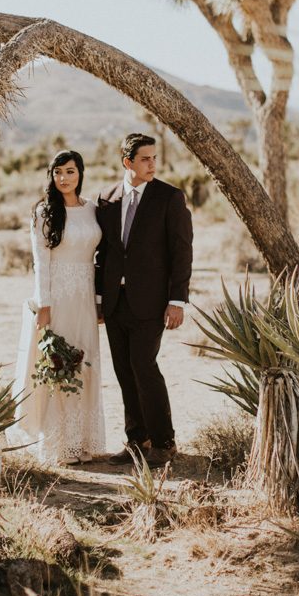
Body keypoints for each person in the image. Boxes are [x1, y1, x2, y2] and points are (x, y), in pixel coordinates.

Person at [95, 133, 193, 467]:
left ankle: (164, 442)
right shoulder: (106, 199)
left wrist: (177, 301)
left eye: (154, 158)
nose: (153, 164)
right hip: (114, 301)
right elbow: (104, 253)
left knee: (144, 367)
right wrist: (98, 299)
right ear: (128, 163)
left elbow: (182, 251)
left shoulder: (170, 197)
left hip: (151, 302)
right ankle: (137, 441)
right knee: (124, 371)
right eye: (145, 159)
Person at [7, 149, 105, 465]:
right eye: (58, 172)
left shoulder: (92, 209)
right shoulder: (44, 212)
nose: (63, 178)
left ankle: (83, 442)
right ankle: (59, 444)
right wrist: (45, 305)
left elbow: (101, 258)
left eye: (70, 171)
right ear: (51, 175)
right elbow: (41, 263)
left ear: (81, 174)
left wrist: (100, 301)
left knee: (85, 361)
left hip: (86, 298)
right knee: (60, 364)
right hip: (58, 297)